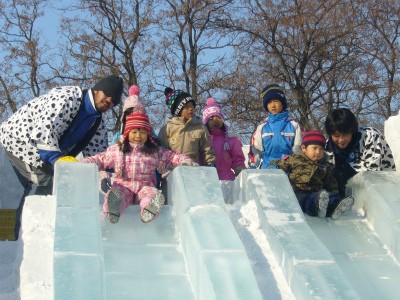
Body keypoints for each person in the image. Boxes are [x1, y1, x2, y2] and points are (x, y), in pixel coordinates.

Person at [0, 75, 123, 240]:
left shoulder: (97, 124)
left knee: (59, 183)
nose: (110, 100)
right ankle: (22, 237)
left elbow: (99, 156)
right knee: (45, 182)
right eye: (108, 94)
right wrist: (59, 160)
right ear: (97, 89)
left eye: (115, 100)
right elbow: (43, 132)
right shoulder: (68, 97)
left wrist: (109, 175)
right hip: (19, 142)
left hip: (43, 157)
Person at [81, 105, 195, 223]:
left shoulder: (154, 151)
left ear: (148, 134)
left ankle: (149, 210)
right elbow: (101, 159)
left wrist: (185, 161)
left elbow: (172, 156)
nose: (138, 136)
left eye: (143, 132)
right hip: (123, 185)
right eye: (134, 132)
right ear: (127, 133)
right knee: (118, 195)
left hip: (145, 186)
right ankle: (113, 209)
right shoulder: (118, 150)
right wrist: (86, 162)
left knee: (151, 195)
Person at [269, 130, 354, 220]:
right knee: (307, 200)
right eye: (314, 148)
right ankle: (317, 208)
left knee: (330, 197)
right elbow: (279, 164)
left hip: (318, 192)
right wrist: (273, 167)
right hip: (298, 191)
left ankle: (337, 206)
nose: (318, 152)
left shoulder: (325, 165)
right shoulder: (295, 159)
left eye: (321, 149)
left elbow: (330, 182)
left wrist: (335, 193)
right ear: (304, 148)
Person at [325, 108, 396, 198]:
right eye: (336, 136)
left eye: (345, 135)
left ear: (352, 131)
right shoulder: (328, 146)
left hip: (382, 188)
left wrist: (344, 173)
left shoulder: (370, 136)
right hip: (346, 193)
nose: (341, 140)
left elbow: (372, 170)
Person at [202, 97, 245, 202]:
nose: (215, 121)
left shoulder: (230, 139)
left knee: (229, 206)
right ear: (206, 122)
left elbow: (237, 157)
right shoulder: (203, 139)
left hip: (227, 178)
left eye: (218, 117)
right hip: (207, 180)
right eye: (211, 119)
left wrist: (239, 169)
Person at [249, 84, 302, 169]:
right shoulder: (262, 127)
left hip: (288, 170)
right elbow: (256, 150)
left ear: (282, 103)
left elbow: (298, 149)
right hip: (268, 169)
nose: (273, 105)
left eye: (276, 101)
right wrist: (252, 168)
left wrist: (299, 168)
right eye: (269, 102)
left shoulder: (293, 124)